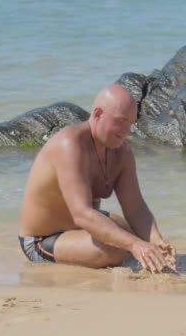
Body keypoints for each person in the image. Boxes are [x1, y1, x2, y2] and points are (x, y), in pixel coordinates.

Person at [18, 84, 176, 273]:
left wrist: (156, 241)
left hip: (80, 231)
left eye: (131, 124)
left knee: (131, 234)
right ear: (98, 114)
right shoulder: (69, 144)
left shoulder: (122, 152)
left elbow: (136, 208)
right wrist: (136, 245)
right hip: (43, 240)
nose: (126, 132)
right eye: (120, 121)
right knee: (118, 249)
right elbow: (82, 214)